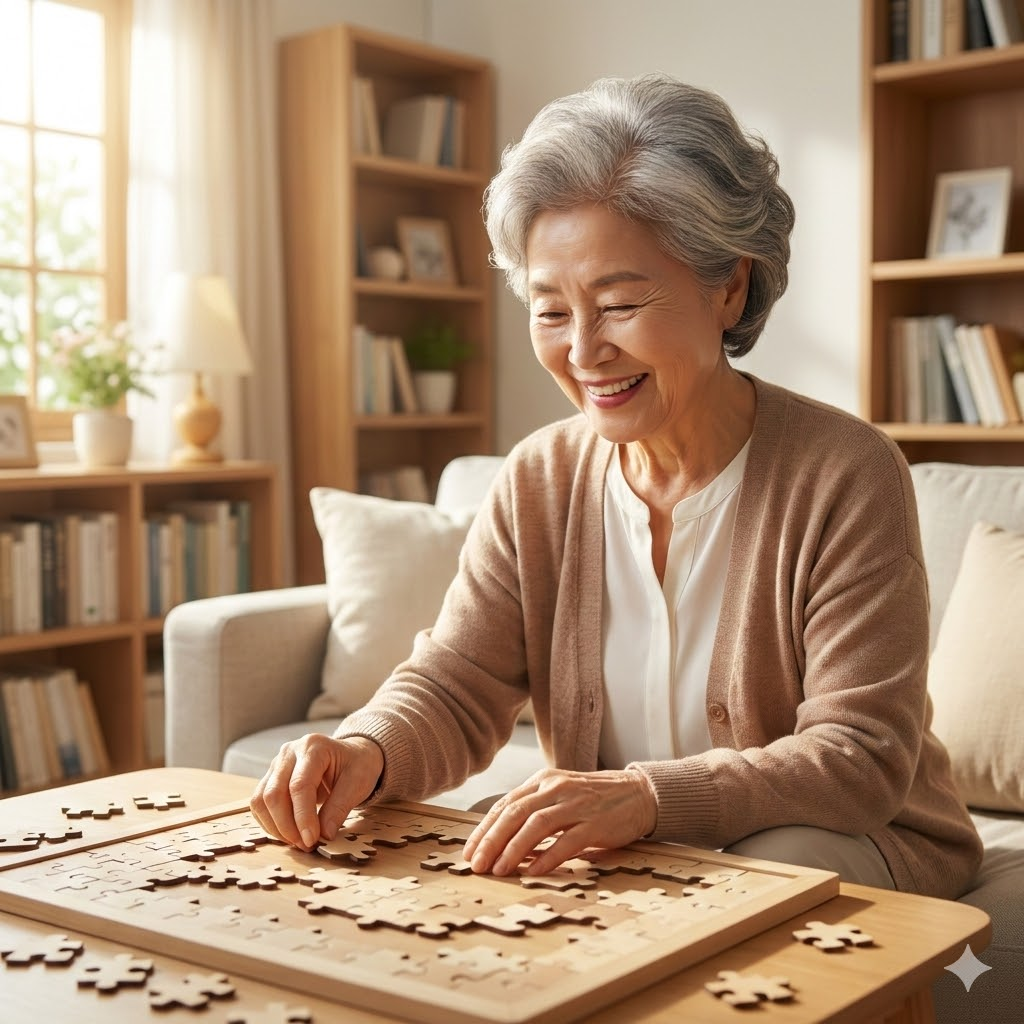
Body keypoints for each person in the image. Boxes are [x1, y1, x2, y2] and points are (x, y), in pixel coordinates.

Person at [251, 73, 982, 899]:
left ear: (729, 285)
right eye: (551, 310)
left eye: (621, 302)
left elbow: (859, 757)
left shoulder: (844, 472)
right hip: (638, 846)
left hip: (857, 838)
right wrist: (365, 748)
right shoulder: (539, 478)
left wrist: (645, 797)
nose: (584, 351)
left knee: (774, 863)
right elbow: (460, 680)